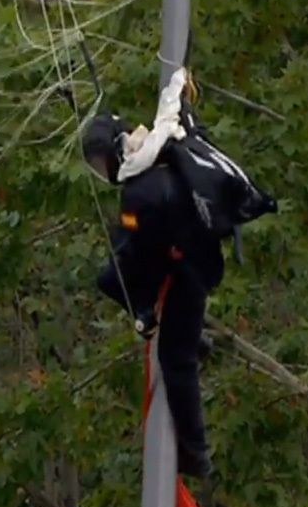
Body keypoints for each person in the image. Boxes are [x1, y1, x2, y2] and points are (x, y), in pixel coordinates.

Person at [82, 68, 276, 480]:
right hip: (185, 253)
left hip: (189, 266)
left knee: (176, 358)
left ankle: (195, 453)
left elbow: (141, 256)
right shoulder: (161, 150)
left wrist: (145, 311)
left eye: (102, 162)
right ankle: (192, 337)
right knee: (110, 279)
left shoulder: (142, 191)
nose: (104, 172)